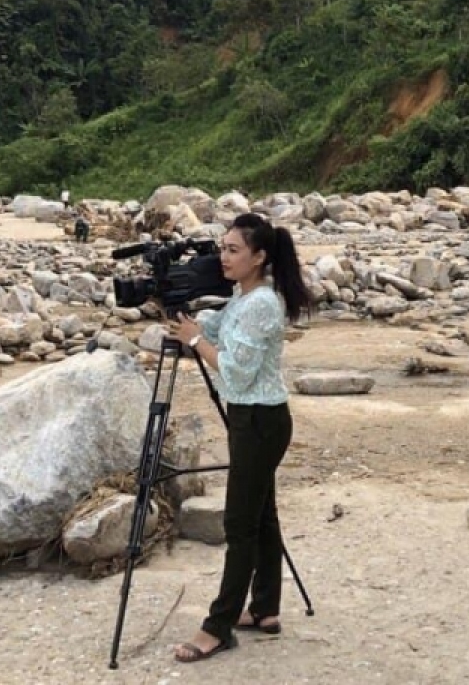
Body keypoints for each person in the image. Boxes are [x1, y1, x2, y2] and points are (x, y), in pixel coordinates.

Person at [166, 212, 312, 663]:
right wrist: (180, 308)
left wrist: (193, 343)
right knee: (261, 515)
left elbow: (233, 372)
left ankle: (218, 625)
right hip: (255, 419)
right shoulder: (241, 299)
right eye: (222, 248)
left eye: (233, 250)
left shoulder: (263, 304)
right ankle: (265, 607)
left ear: (259, 256)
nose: (223, 257)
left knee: (239, 524)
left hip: (260, 421)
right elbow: (214, 327)